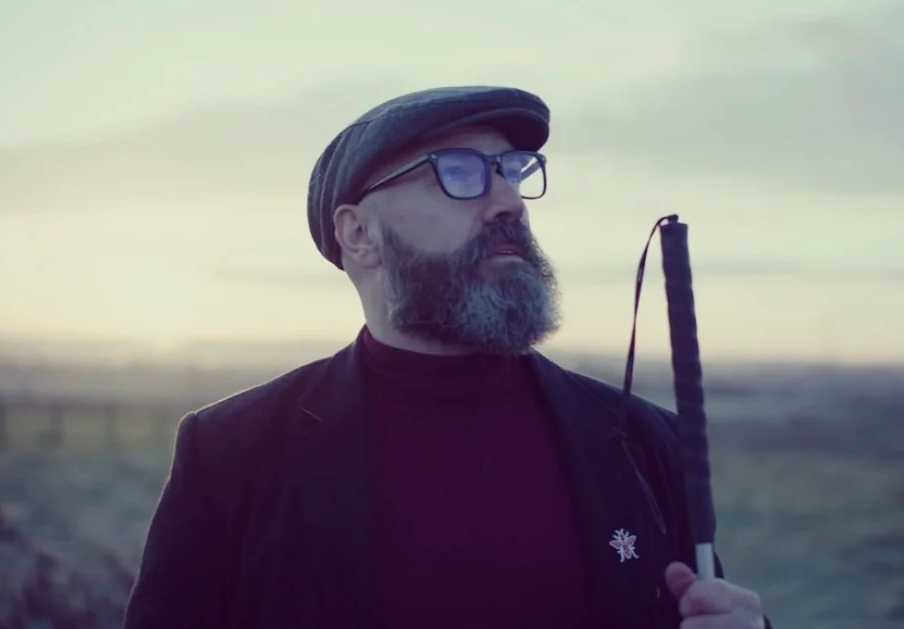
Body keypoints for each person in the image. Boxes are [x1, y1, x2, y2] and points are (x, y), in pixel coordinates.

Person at [121, 85, 770, 629]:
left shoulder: (640, 438)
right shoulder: (233, 453)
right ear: (359, 233)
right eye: (458, 172)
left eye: (512, 170)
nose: (511, 200)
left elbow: (705, 607)